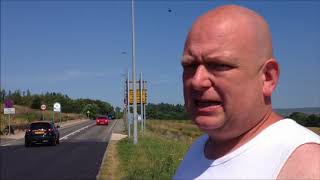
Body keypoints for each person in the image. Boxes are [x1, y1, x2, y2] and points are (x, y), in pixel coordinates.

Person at [174, 5, 320, 180]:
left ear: (267, 77)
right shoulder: (199, 150)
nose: (197, 81)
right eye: (189, 65)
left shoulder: (306, 165)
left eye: (220, 65)